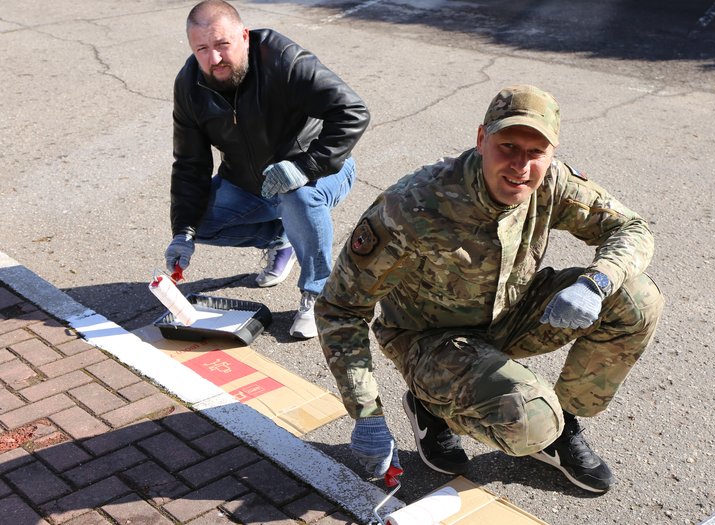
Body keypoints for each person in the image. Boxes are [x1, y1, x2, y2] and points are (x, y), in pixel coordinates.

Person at [315, 85, 664, 493]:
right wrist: (366, 413)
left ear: (551, 154)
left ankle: (562, 428)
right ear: (481, 139)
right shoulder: (412, 206)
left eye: (536, 152)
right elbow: (341, 307)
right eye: (508, 145)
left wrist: (597, 280)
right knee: (530, 421)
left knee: (636, 300)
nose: (520, 165)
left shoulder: (552, 183)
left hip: (511, 312)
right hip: (431, 339)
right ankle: (432, 406)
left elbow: (630, 227)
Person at [164, 0, 369, 339]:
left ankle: (319, 294)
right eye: (202, 49)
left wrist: (306, 166)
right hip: (249, 184)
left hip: (321, 171)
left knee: (298, 198)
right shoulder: (190, 86)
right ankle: (284, 238)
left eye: (222, 45)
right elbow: (189, 164)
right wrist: (182, 232)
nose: (214, 59)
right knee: (199, 223)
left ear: (244, 36)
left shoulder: (283, 60)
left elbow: (353, 112)